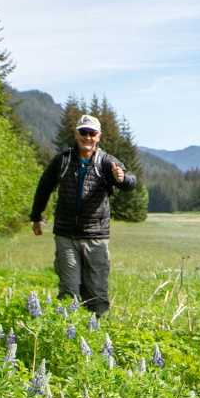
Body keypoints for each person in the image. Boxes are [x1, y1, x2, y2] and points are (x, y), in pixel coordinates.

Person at [30, 114, 138, 318]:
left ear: (99, 136)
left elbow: (130, 182)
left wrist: (122, 179)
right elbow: (44, 187)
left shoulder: (107, 162)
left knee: (96, 291)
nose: (87, 137)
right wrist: (36, 217)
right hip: (66, 235)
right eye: (83, 132)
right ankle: (67, 336)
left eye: (92, 133)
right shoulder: (62, 160)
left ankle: (96, 336)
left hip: (96, 236)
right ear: (76, 134)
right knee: (69, 290)